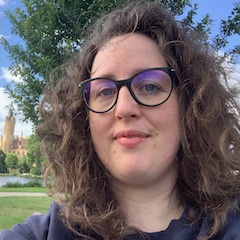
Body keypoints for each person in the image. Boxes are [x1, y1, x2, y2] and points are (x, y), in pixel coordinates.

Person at [1, 1, 240, 240]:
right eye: (104, 91)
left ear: (190, 104)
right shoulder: (45, 234)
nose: (124, 108)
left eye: (149, 86)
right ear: (84, 119)